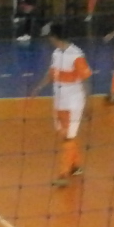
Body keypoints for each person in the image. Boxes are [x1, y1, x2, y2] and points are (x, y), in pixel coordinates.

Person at [29, 23, 92, 186]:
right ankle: (75, 166)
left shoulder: (76, 55)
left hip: (73, 102)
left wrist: (87, 104)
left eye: (49, 37)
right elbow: (52, 74)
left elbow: (86, 80)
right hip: (59, 100)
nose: (48, 40)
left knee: (68, 136)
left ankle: (63, 175)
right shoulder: (56, 53)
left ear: (54, 37)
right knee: (65, 134)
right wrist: (39, 88)